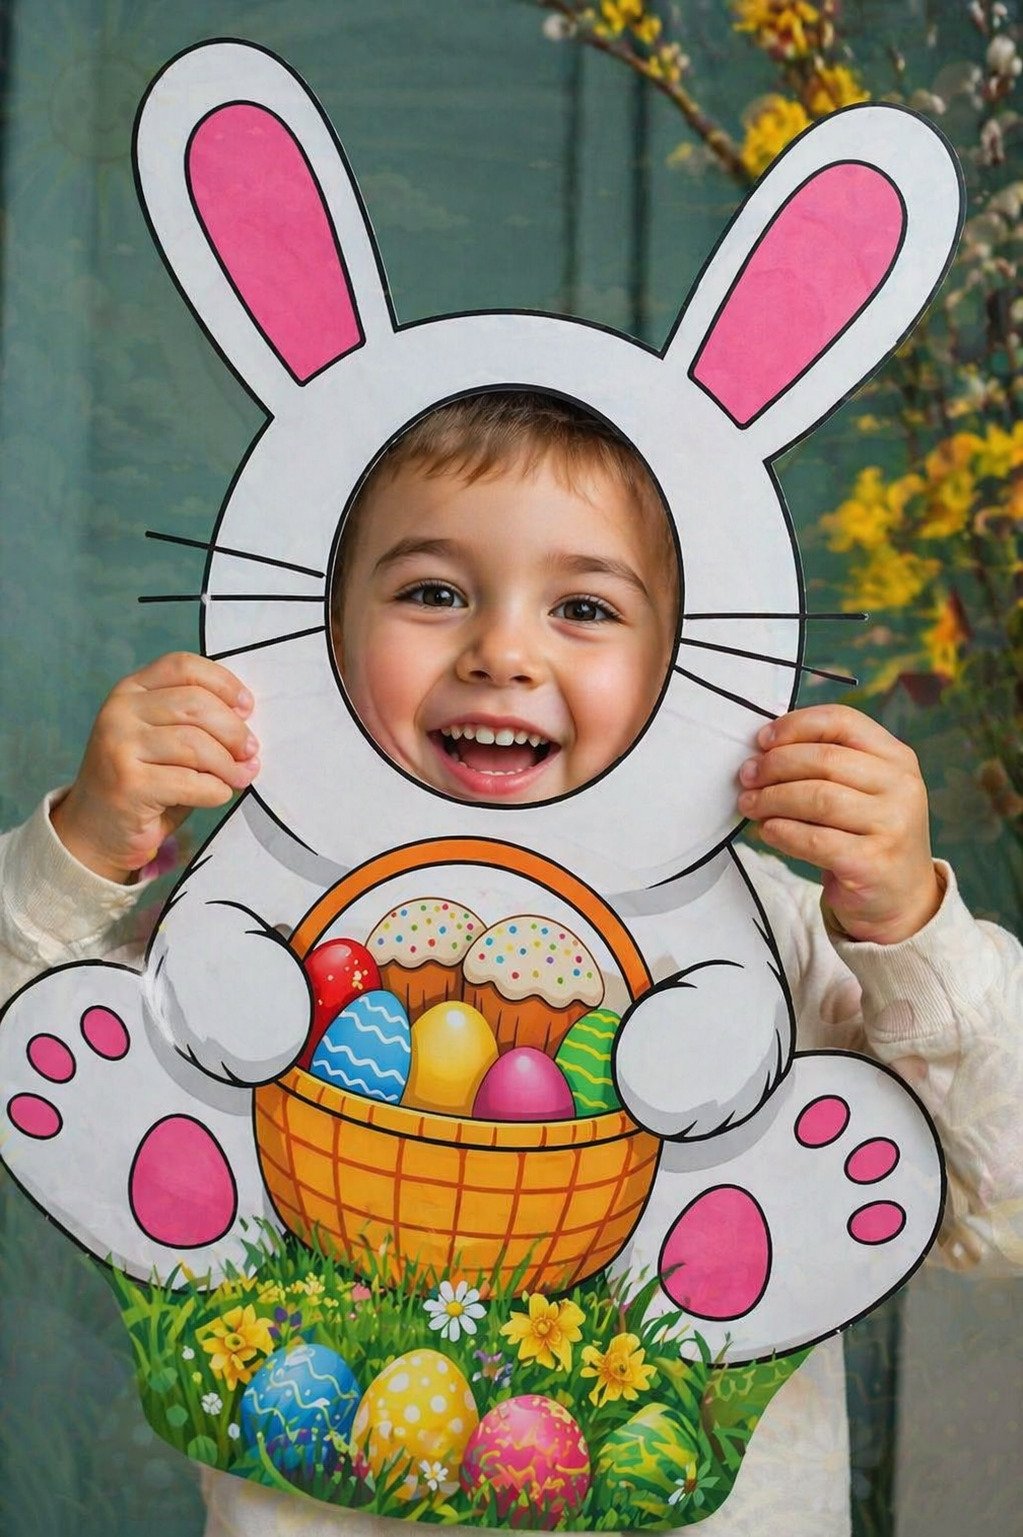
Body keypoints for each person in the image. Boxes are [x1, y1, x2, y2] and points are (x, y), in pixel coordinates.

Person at [1, 393, 1020, 1537]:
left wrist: (907, 928)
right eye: (432, 592)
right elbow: (26, 1066)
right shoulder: (254, 928)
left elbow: (1006, 1213)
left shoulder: (770, 938)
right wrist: (85, 846)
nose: (501, 652)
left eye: (584, 607)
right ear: (329, 630)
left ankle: (718, 1258)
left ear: (680, 664)